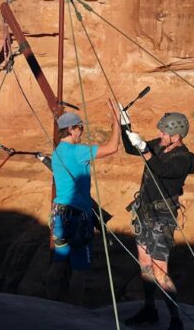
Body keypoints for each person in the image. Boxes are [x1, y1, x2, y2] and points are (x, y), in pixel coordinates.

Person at [120, 109, 194, 330]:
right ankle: (150, 308)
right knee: (145, 265)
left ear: (177, 135)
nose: (160, 136)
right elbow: (131, 148)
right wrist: (126, 127)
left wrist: (146, 150)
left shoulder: (183, 157)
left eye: (164, 133)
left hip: (161, 218)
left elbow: (162, 169)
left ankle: (175, 321)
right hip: (144, 212)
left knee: (160, 272)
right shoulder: (161, 146)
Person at [46, 100, 120, 304]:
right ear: (70, 129)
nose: (81, 131)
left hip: (59, 215)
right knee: (80, 268)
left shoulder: (57, 152)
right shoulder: (77, 152)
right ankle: (75, 313)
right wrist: (117, 120)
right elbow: (112, 147)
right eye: (80, 127)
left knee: (59, 262)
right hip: (79, 217)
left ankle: (50, 305)